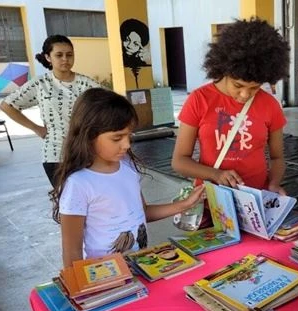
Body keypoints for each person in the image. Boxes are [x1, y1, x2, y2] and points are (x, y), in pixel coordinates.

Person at [49, 88, 205, 268]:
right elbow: (71, 252)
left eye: (129, 136)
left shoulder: (127, 166)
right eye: (117, 138)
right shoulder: (78, 184)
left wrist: (185, 204)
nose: (127, 144)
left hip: (141, 266)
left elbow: (143, 212)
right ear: (89, 135)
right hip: (105, 277)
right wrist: (81, 292)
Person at [172, 17, 289, 194]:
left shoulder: (270, 105)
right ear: (223, 69)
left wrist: (273, 183)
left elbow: (277, 157)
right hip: (211, 198)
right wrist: (215, 174)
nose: (245, 95)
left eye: (254, 88)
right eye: (238, 85)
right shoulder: (199, 100)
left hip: (255, 199)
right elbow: (180, 160)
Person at [0, 35, 100, 187]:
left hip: (84, 153)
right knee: (65, 201)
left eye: (69, 55)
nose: (65, 59)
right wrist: (36, 128)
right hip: (55, 154)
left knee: (92, 200)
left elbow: (109, 106)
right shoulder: (40, 84)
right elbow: (7, 105)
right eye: (59, 55)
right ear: (48, 57)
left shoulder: (86, 84)